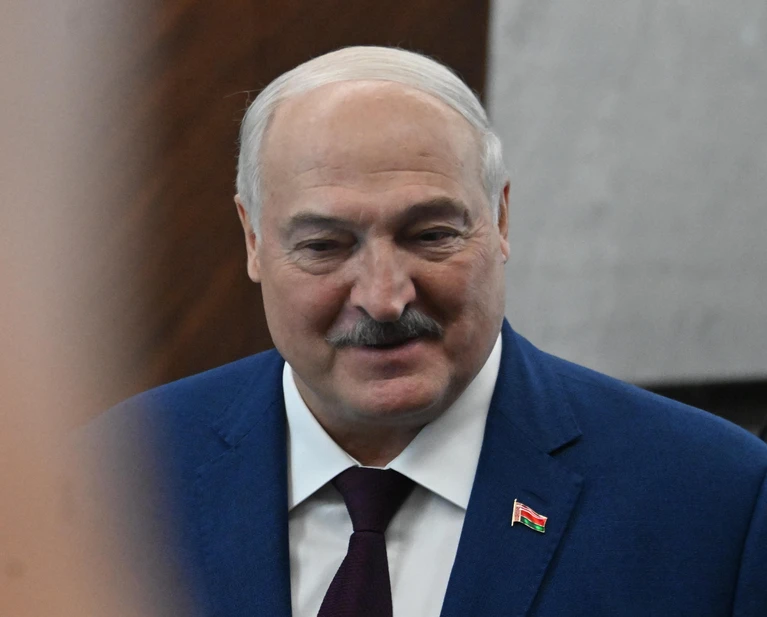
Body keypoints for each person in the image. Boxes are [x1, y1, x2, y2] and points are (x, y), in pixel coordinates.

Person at [84, 47, 767, 617]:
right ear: (253, 239)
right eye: (325, 245)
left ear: (500, 220)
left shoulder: (712, 501)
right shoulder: (115, 479)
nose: (384, 299)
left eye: (431, 235)